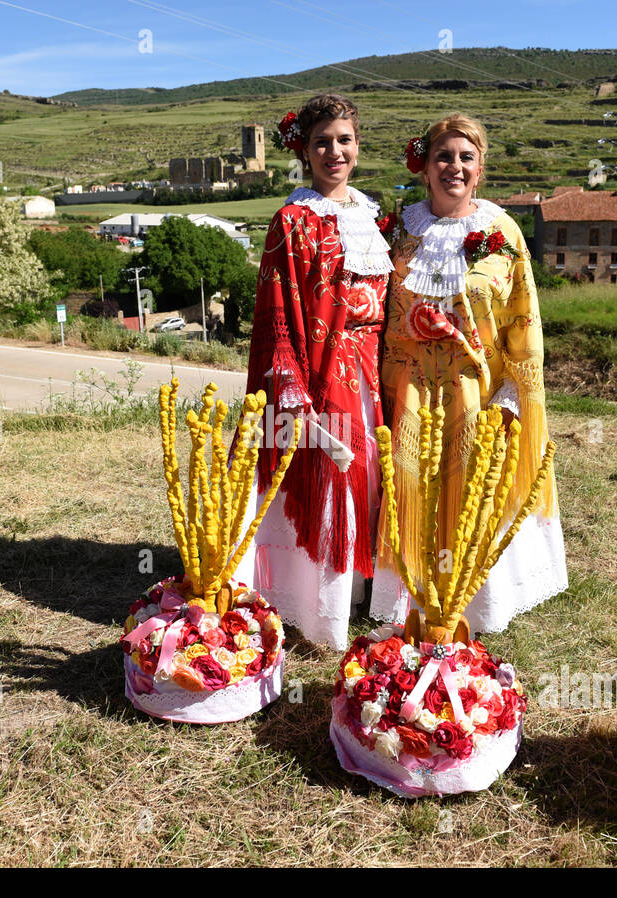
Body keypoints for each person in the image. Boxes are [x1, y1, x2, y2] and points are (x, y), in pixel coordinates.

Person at [368, 113, 568, 633]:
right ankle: (411, 603)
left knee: (470, 492)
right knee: (412, 491)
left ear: (479, 170)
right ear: (425, 166)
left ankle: (473, 605)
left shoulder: (503, 232)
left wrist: (514, 393)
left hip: (475, 389)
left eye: (465, 157)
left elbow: (524, 319)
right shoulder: (396, 230)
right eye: (443, 156)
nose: (453, 166)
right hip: (409, 391)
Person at [237, 94, 393, 651]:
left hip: (376, 365)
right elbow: (278, 313)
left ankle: (367, 591)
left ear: (358, 144)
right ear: (302, 149)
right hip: (323, 369)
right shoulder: (293, 220)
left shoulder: (374, 217)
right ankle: (323, 604)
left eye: (344, 139)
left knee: (376, 475)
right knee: (336, 473)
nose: (335, 151)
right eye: (322, 141)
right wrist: (295, 395)